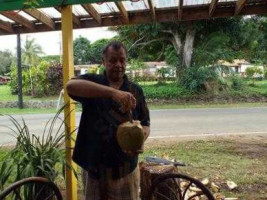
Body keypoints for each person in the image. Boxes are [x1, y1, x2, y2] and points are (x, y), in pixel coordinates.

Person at [66, 41, 150, 200]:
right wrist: (113, 93)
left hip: (126, 168)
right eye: (112, 60)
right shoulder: (92, 82)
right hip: (95, 170)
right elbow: (70, 86)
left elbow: (145, 123)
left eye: (122, 60)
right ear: (103, 62)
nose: (118, 64)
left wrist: (139, 141)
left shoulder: (135, 90)